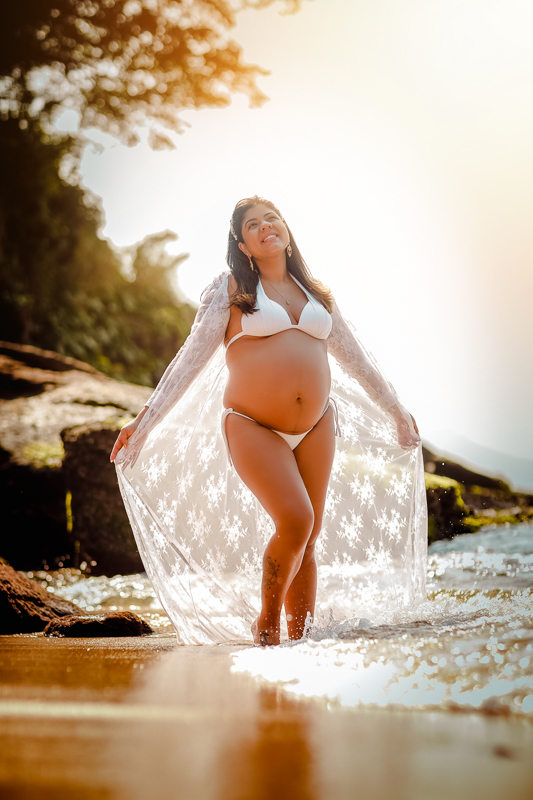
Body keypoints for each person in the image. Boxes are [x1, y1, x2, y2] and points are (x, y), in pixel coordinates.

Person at [111, 197, 426, 646]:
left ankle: (301, 643)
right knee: (296, 520)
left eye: (271, 219)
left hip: (317, 424)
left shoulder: (315, 293)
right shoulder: (232, 288)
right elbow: (191, 359)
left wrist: (396, 409)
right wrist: (144, 422)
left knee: (309, 536)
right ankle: (268, 624)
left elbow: (357, 360)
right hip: (251, 424)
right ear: (244, 243)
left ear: (286, 229)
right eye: (252, 225)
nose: (265, 227)